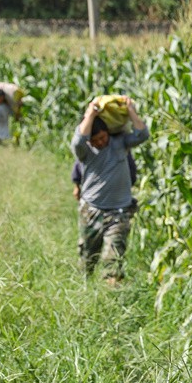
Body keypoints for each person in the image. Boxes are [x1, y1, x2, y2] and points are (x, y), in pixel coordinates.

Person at [70, 96, 148, 283]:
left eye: (103, 137)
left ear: (108, 133)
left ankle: (112, 293)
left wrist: (130, 110)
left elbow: (142, 134)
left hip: (119, 212)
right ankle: (84, 292)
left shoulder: (120, 143)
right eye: (95, 140)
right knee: (88, 257)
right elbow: (78, 142)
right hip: (92, 211)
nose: (100, 142)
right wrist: (90, 114)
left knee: (113, 260)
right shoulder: (85, 151)